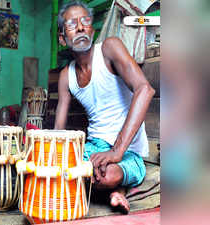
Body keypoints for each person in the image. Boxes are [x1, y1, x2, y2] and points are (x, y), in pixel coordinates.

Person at [54, 1, 155, 213]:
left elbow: (145, 90)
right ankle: (117, 192)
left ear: (92, 30)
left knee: (106, 175)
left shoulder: (109, 48)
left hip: (127, 150)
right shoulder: (66, 76)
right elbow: (59, 134)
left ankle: (114, 187)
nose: (81, 27)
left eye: (85, 22)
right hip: (92, 148)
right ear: (62, 38)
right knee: (63, 166)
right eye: (72, 25)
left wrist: (117, 151)